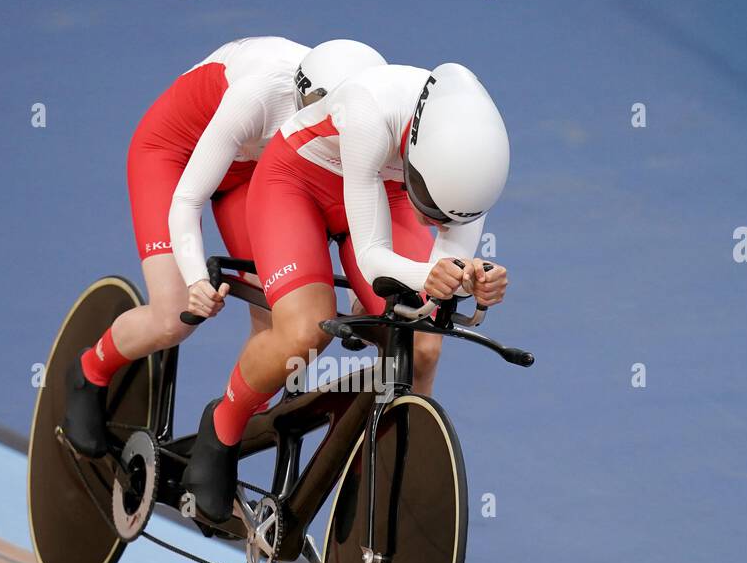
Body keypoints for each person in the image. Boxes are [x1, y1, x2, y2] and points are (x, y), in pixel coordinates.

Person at [183, 62, 511, 522]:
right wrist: (429, 278)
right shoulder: (369, 110)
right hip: (296, 183)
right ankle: (221, 428)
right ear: (417, 149)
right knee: (304, 332)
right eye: (431, 206)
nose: (436, 218)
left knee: (423, 347)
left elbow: (445, 274)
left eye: (446, 213)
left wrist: (472, 280)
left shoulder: (474, 167)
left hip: (389, 189)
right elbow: (374, 255)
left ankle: (390, 459)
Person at [61, 37, 387, 457]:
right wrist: (196, 279)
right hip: (173, 157)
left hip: (250, 168)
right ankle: (88, 372)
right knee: (172, 317)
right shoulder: (259, 96)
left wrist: (363, 288)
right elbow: (188, 201)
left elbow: (352, 206)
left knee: (279, 318)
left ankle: (227, 439)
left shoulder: (352, 113)